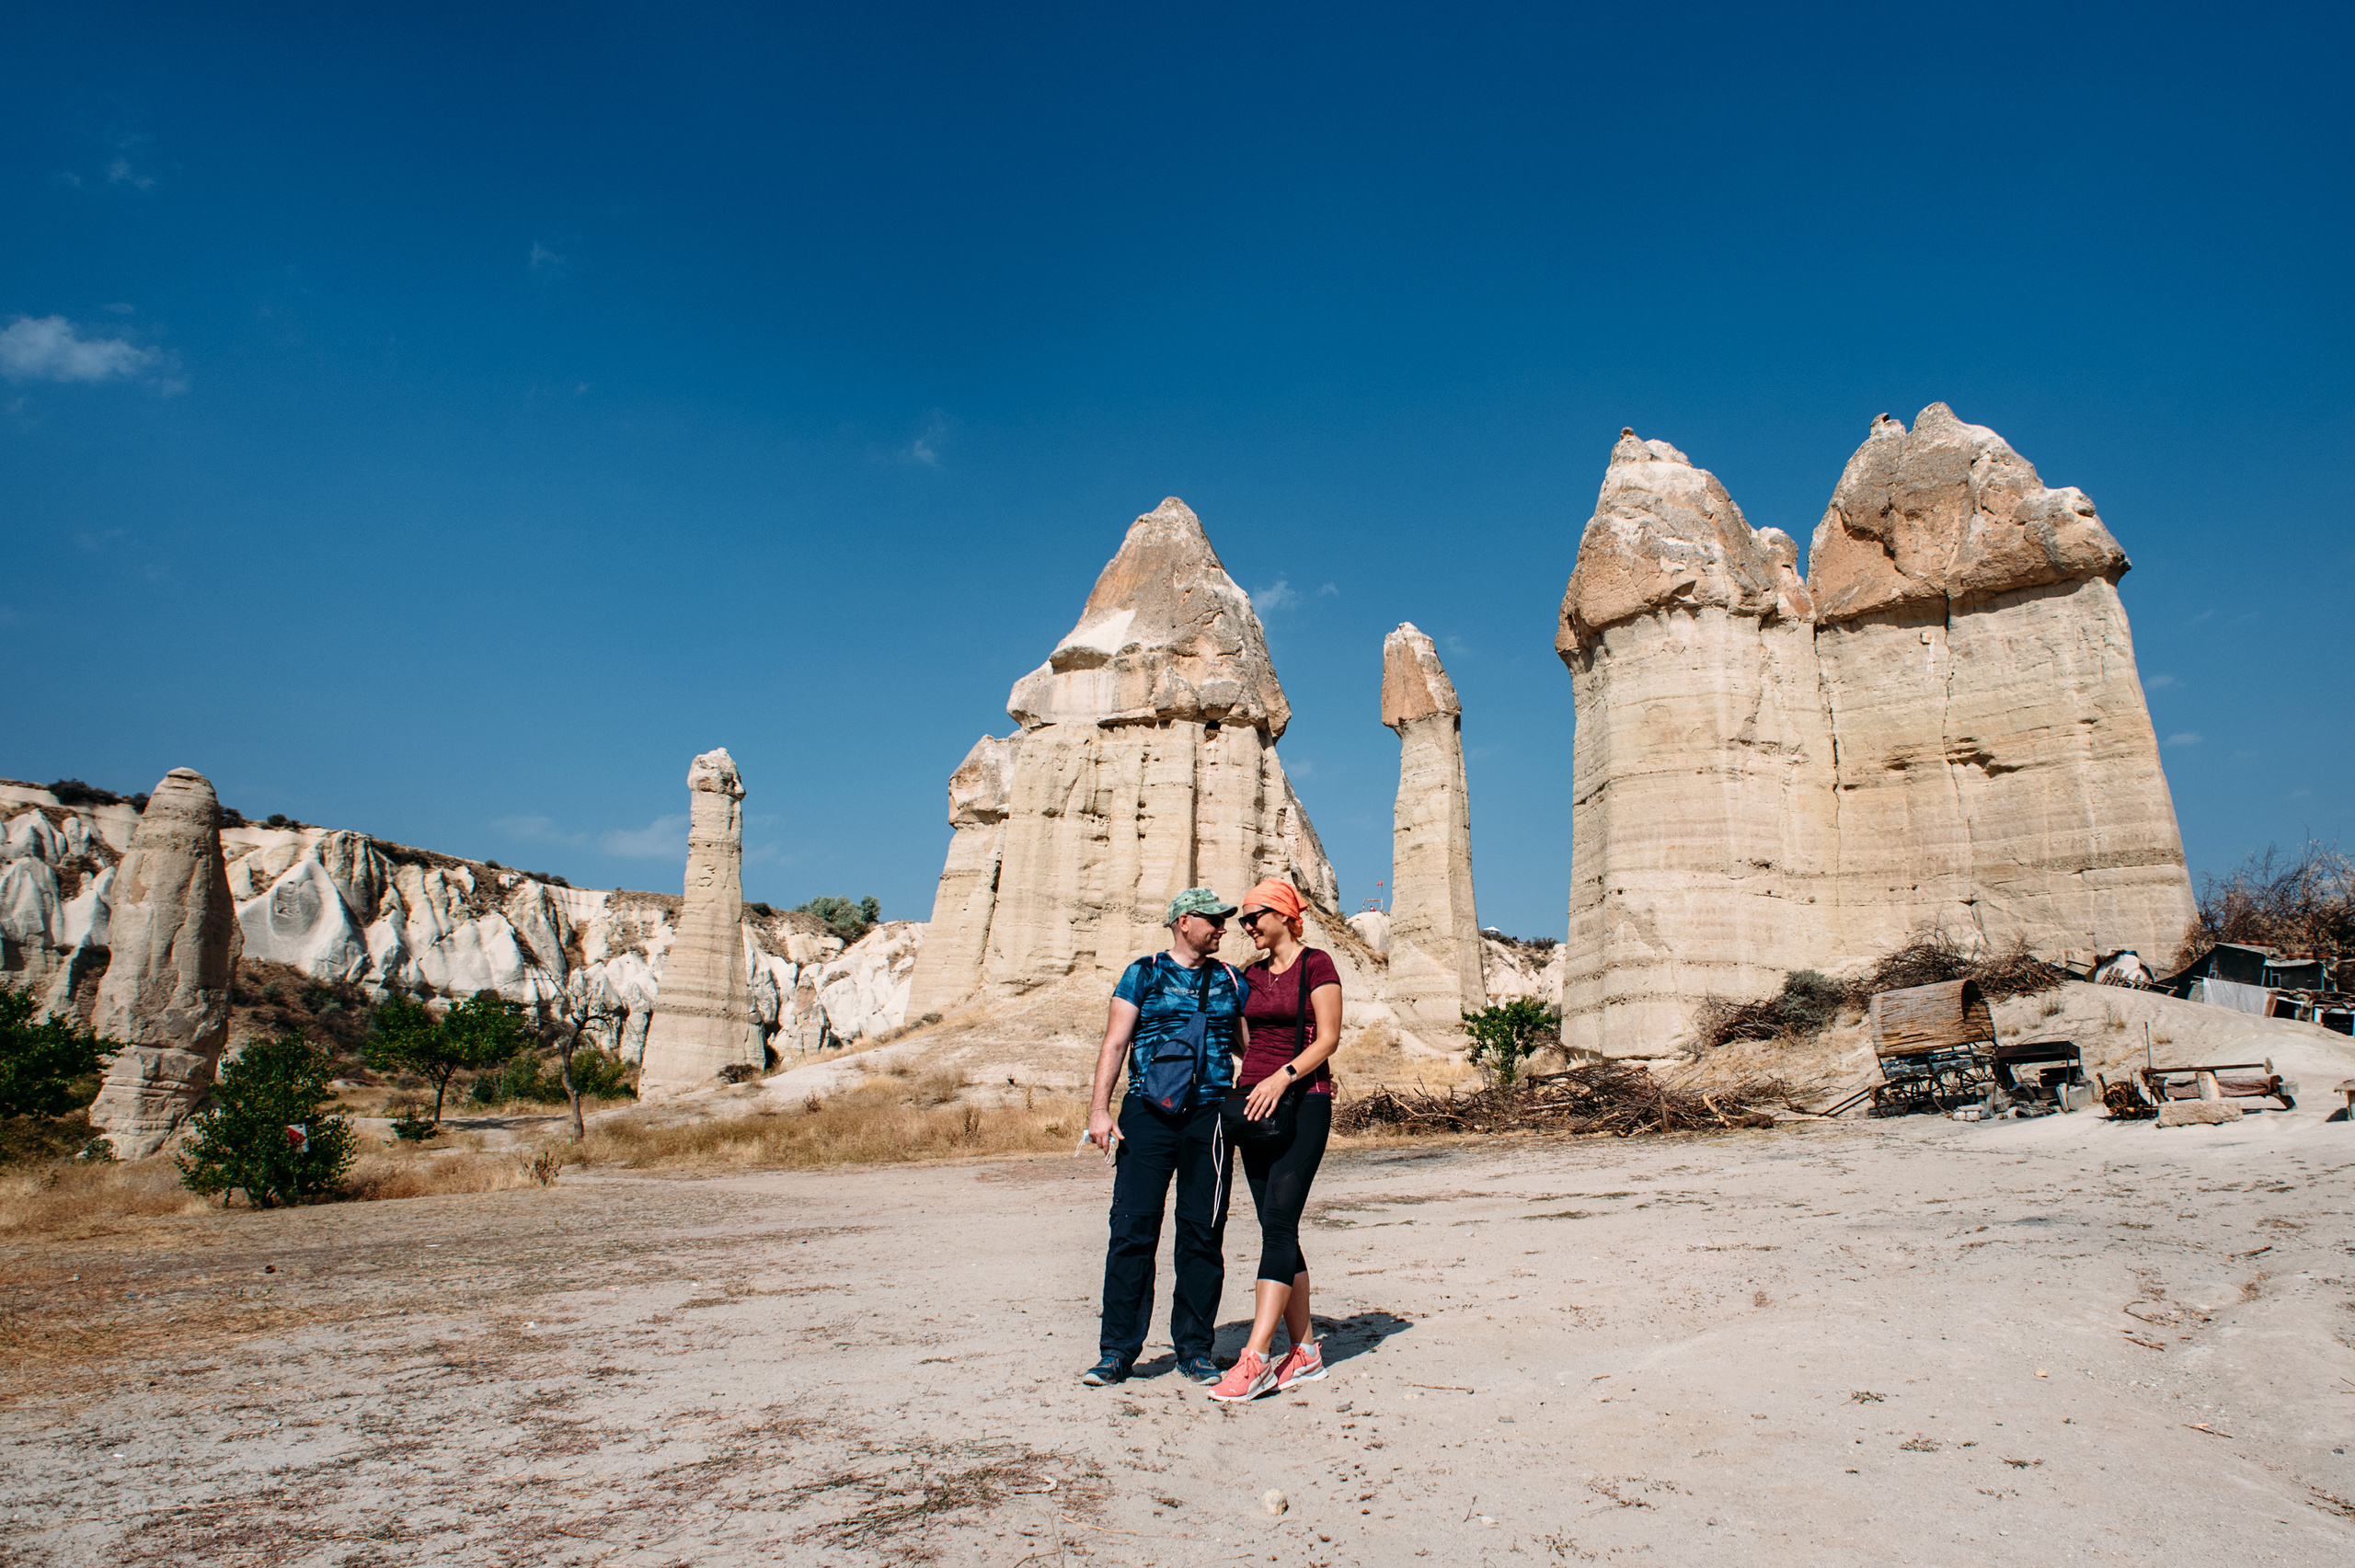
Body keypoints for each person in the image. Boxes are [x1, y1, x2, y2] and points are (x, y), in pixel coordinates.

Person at [1079, 887, 1248, 1388]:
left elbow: (1248, 1046)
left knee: (1203, 1233)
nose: (1222, 927)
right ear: (1183, 922)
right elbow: (1115, 1041)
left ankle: (1195, 1350)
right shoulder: (1144, 971)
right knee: (1132, 1230)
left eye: (1224, 920)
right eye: (1213, 919)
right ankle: (1116, 1353)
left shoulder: (1229, 978)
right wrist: (1099, 1111)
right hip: (1147, 1114)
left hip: (1211, 1117)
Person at [1208, 877, 1343, 1403]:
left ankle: (1256, 1357)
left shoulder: (1318, 964)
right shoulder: (1248, 975)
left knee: (1280, 1224)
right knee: (1274, 1225)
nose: (1246, 927)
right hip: (1253, 1104)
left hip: (1303, 1099)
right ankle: (1305, 1350)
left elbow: (1329, 1037)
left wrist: (1281, 1075)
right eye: (1242, 920)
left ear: (1284, 914)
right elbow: (1244, 1036)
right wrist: (1255, 1077)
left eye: (1253, 916)